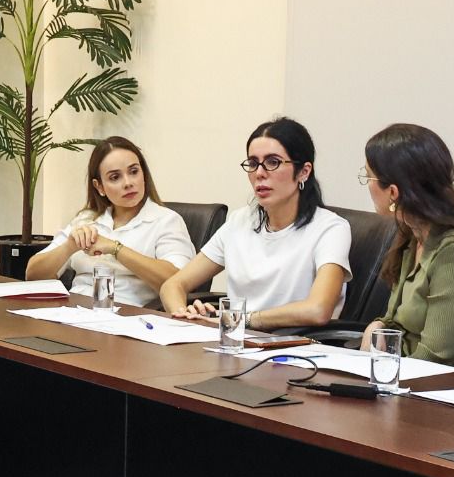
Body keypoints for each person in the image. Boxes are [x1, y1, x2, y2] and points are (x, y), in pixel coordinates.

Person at [159, 117, 351, 330]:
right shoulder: (239, 222)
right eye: (253, 163)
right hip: (235, 344)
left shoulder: (331, 229)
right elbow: (173, 285)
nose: (259, 173)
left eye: (273, 162)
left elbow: (318, 310)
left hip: (298, 350)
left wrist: (240, 320)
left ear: (304, 172)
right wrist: (184, 314)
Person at [356, 124, 454, 365]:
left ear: (393, 192)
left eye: (368, 176)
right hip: (419, 378)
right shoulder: (413, 236)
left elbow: (435, 357)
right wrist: (378, 325)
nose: (366, 184)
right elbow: (396, 321)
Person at [25, 136, 195, 308]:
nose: (128, 183)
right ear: (99, 187)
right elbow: (33, 275)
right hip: (74, 313)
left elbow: (178, 280)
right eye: (115, 177)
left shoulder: (166, 221)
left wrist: (115, 249)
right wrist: (69, 246)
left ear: (144, 174)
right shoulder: (86, 219)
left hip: (128, 316)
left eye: (134, 171)